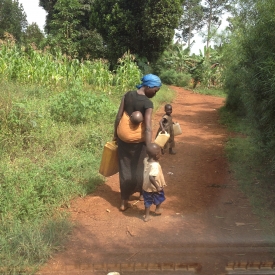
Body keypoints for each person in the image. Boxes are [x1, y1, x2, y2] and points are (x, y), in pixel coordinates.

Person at [113, 74, 162, 211]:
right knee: (140, 168)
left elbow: (118, 117)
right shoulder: (147, 103)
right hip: (138, 142)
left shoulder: (127, 95)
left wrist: (115, 135)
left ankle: (124, 201)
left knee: (125, 169)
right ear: (149, 86)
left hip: (123, 139)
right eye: (155, 90)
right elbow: (147, 127)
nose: (155, 93)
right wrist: (149, 146)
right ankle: (141, 194)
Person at [142, 143, 166, 222]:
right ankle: (158, 208)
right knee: (159, 196)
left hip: (146, 186)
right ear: (156, 155)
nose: (160, 154)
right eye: (159, 153)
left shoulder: (146, 160)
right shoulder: (155, 165)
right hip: (155, 186)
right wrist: (157, 187)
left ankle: (147, 216)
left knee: (147, 201)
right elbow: (151, 177)